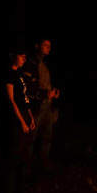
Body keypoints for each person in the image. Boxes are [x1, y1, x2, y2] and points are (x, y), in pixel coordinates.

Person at [0, 48, 36, 193]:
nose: (24, 59)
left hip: (24, 117)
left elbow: (24, 98)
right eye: (21, 56)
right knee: (13, 159)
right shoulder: (9, 74)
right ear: (13, 57)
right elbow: (11, 99)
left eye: (25, 56)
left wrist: (30, 116)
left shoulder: (20, 75)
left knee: (23, 158)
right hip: (16, 120)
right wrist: (21, 121)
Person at [23, 38, 60, 172]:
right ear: (37, 46)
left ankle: (42, 163)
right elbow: (27, 86)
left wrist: (52, 93)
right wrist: (44, 94)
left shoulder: (45, 65)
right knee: (31, 137)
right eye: (45, 45)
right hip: (37, 106)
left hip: (47, 106)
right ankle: (25, 165)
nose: (48, 48)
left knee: (46, 137)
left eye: (49, 45)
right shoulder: (30, 64)